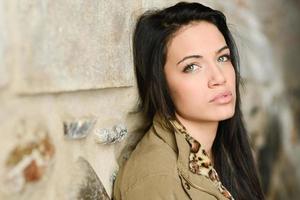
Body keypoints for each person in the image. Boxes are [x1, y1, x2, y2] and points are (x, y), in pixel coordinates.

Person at [113, 2, 265, 200]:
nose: (219, 78)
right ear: (160, 83)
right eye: (192, 67)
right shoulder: (156, 181)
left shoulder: (219, 154)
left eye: (222, 58)